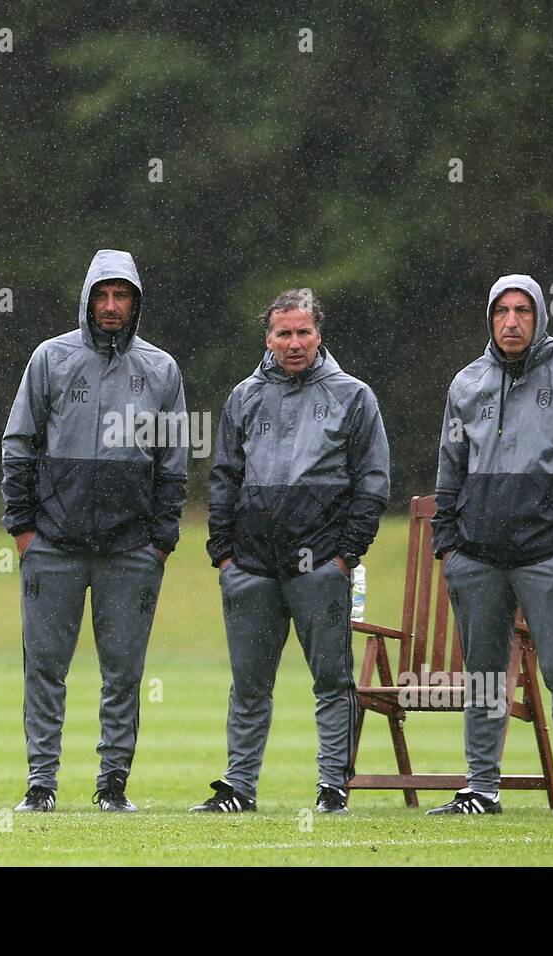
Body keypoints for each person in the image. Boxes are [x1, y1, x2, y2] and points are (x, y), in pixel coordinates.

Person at [1, 249, 188, 812]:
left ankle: (113, 785)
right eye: (102, 295)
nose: (111, 306)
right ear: (88, 299)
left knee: (124, 672)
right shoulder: (50, 358)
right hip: (53, 544)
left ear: (135, 302)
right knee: (44, 668)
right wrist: (22, 527)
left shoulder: (161, 370)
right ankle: (41, 784)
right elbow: (19, 442)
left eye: (121, 296)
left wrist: (161, 541)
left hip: (132, 550)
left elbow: (174, 461)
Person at [191, 289, 390, 814]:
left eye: (303, 332)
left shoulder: (353, 396)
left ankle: (332, 787)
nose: (294, 343)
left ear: (319, 334)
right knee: (249, 685)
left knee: (331, 680)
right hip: (250, 566)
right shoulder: (244, 396)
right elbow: (223, 478)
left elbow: (373, 484)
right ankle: (238, 789)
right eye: (284, 333)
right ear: (268, 337)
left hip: (321, 564)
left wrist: (346, 554)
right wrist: (223, 554)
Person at [428, 274, 553, 817]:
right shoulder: (466, 384)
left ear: (540, 318)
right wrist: (448, 545)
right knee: (484, 680)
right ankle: (482, 790)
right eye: (502, 312)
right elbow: (449, 470)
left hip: (547, 556)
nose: (511, 322)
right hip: (477, 557)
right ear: (489, 318)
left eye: (523, 312)